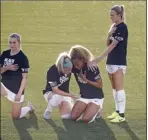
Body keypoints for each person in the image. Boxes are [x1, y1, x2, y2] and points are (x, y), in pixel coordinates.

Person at [88, 5, 128, 123]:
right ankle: (116, 112)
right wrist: (109, 33)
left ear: (119, 15)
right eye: (110, 15)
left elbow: (113, 45)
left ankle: (121, 115)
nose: (110, 17)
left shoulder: (123, 27)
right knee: (115, 89)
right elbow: (108, 43)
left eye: (112, 15)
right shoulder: (114, 26)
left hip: (118, 62)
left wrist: (99, 58)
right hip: (110, 61)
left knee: (119, 89)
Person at [0, 33, 34, 119]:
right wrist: (7, 67)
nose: (11, 45)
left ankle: (29, 107)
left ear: (19, 43)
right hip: (4, 85)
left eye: (14, 42)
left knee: (15, 117)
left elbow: (24, 78)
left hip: (16, 90)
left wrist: (19, 94)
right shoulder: (5, 54)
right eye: (10, 42)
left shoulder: (23, 58)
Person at [69, 45, 104, 123]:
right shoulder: (74, 67)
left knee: (85, 119)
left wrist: (86, 80)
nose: (76, 66)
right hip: (84, 97)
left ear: (83, 60)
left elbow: (100, 85)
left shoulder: (91, 68)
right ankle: (88, 108)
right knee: (73, 117)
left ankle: (97, 110)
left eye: (77, 64)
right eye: (74, 64)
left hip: (96, 98)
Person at [43, 52, 76, 120]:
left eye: (71, 69)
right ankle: (48, 110)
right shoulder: (52, 71)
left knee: (65, 116)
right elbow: (55, 90)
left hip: (64, 94)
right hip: (51, 93)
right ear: (61, 67)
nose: (70, 71)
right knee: (56, 98)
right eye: (68, 69)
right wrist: (70, 95)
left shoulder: (69, 68)